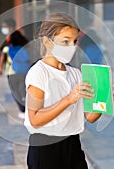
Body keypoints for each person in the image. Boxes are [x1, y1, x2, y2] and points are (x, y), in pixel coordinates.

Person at [24, 13, 102, 169]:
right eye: (65, 41)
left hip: (73, 145)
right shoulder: (38, 73)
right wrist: (69, 99)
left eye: (74, 42)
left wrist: (103, 98)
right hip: (45, 149)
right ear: (47, 41)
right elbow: (35, 119)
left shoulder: (76, 74)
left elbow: (90, 117)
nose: (71, 47)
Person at [0, 19, 30, 119]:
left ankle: (22, 110)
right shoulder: (22, 41)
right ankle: (27, 108)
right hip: (24, 70)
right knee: (23, 90)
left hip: (11, 72)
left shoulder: (8, 46)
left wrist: (0, 67)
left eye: (5, 26)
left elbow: (2, 55)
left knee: (15, 92)